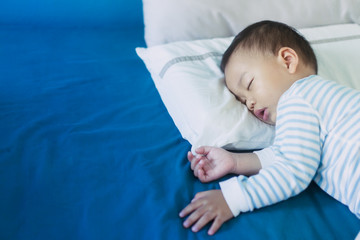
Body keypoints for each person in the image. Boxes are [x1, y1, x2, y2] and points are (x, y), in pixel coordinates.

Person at [179, 20, 360, 236]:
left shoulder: (299, 96)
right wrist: (235, 161)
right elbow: (288, 154)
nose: (249, 103)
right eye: (242, 100)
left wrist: (233, 199)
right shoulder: (318, 105)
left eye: (249, 85)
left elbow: (293, 168)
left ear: (287, 60)